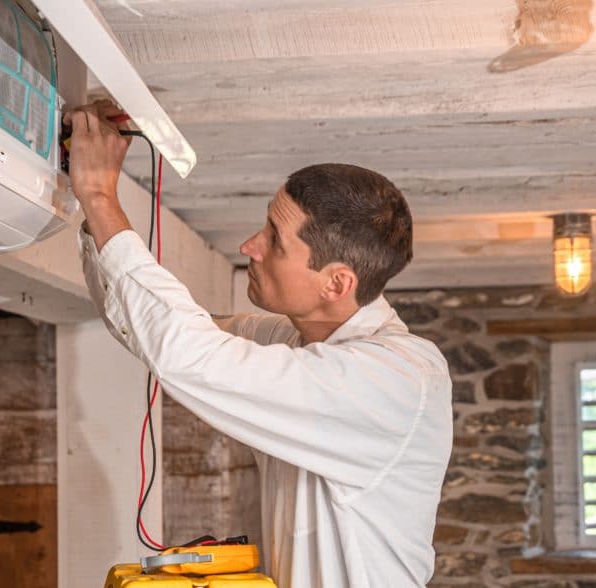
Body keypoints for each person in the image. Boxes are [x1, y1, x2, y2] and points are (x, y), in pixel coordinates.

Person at [65, 100, 453, 587]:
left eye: (275, 239)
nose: (250, 245)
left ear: (336, 283)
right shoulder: (299, 342)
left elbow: (186, 352)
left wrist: (102, 198)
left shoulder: (397, 378)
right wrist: (93, 215)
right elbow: (151, 329)